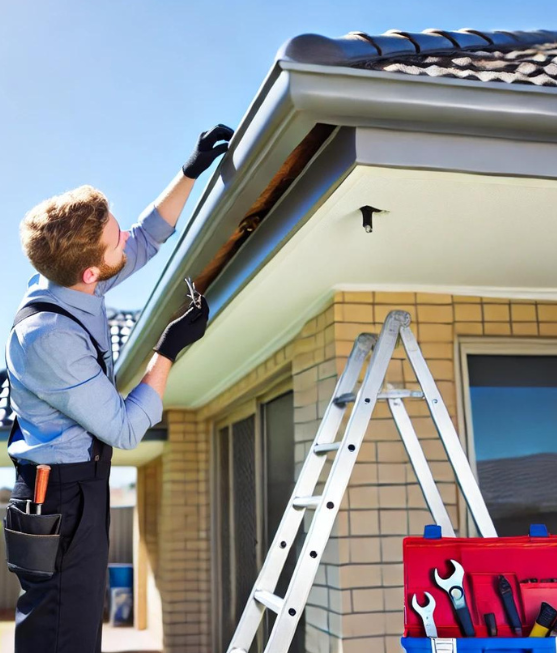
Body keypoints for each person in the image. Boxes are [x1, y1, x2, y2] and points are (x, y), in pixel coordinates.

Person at [3, 124, 234, 653]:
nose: (124, 239)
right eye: (115, 240)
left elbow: (146, 236)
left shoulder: (67, 276)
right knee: (62, 636)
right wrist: (169, 347)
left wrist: (189, 171)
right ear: (90, 272)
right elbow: (129, 427)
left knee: (78, 631)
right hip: (57, 498)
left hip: (75, 488)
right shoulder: (49, 337)